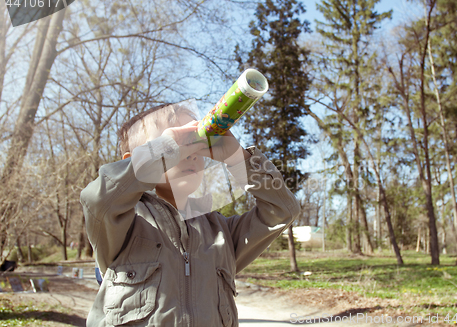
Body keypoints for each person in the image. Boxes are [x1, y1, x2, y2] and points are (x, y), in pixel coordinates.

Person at [81, 100, 300, 326]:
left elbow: (283, 210)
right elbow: (97, 199)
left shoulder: (220, 232)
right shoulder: (121, 221)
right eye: (175, 145)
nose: (191, 153)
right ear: (133, 160)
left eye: (196, 144)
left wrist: (239, 159)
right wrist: (162, 151)